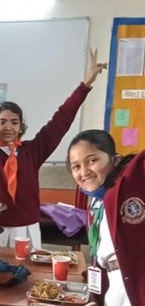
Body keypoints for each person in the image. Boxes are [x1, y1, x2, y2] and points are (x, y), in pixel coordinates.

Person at [0, 42, 107, 249]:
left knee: (28, 278)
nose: (8, 127)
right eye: (2, 122)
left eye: (14, 122)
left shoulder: (32, 152)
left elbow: (60, 121)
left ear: (21, 127)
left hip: (27, 229)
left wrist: (85, 85)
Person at [67, 129, 144, 306]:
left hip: (135, 290)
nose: (84, 172)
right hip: (114, 293)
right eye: (76, 166)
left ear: (114, 159)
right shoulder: (95, 206)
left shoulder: (132, 185)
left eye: (92, 160)